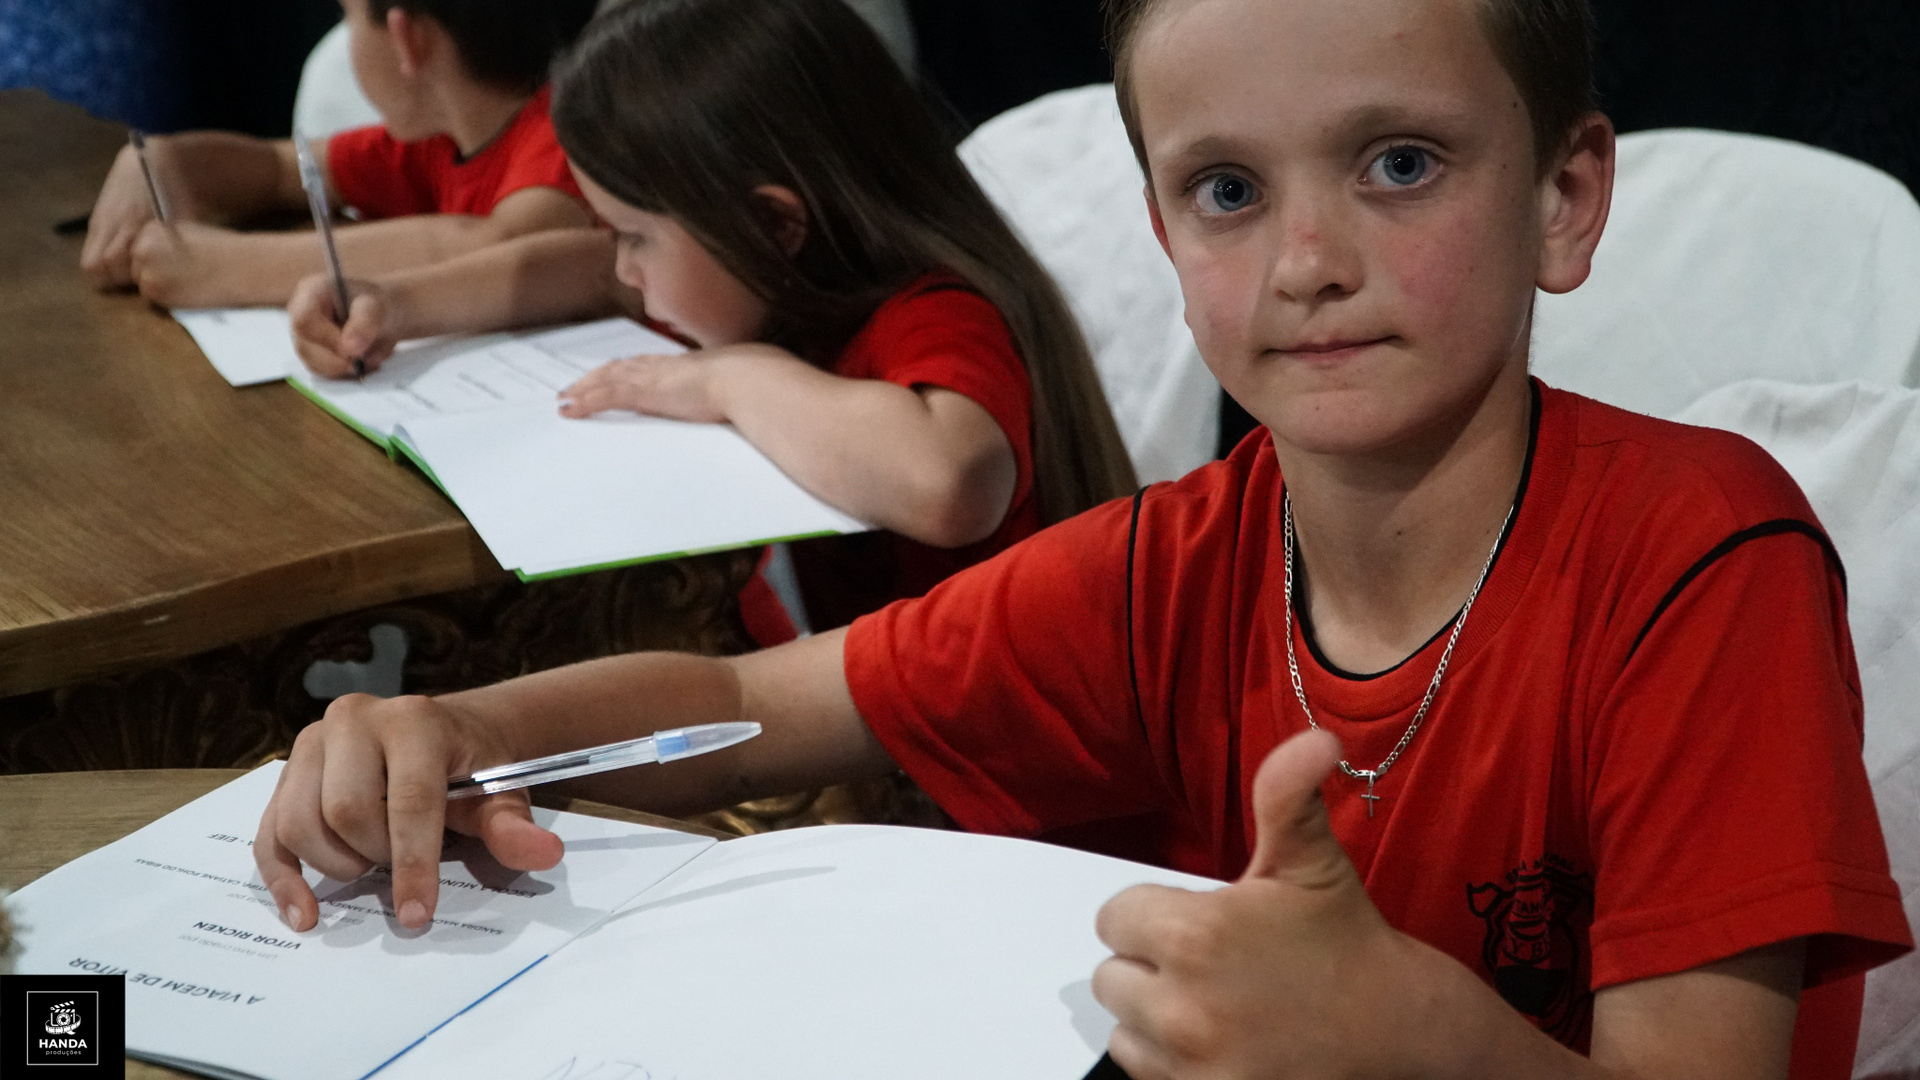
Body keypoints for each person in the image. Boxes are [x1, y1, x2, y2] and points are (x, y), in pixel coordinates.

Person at [254, 0, 1914, 1076]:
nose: (1308, 260)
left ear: (1564, 199)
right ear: (1166, 237)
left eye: (1400, 164)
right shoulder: (1172, 564)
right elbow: (757, 702)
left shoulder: (1708, 563)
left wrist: (1425, 1040)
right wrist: (456, 734)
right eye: (1227, 191)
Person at [286, 0, 1137, 634]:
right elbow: (583, 272)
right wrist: (400, 302)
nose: (622, 266)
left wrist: (733, 380)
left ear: (773, 225)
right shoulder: (762, 279)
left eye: (635, 236)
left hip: (1014, 777)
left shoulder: (935, 313)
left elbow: (949, 482)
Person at [79, 0, 598, 309]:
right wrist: (160, 161)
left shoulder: (568, 126)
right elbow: (283, 169)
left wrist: (224, 269)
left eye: (347, 16)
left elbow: (511, 248)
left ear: (408, 40)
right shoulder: (437, 142)